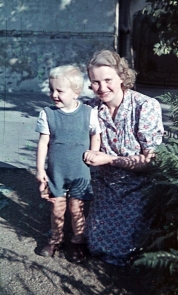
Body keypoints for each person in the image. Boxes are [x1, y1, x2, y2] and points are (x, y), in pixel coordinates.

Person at [83, 50, 164, 266]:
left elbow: (150, 162)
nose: (102, 88)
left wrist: (110, 159)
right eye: (95, 82)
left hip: (139, 186)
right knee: (96, 246)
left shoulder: (145, 106)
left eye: (108, 80)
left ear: (122, 76)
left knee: (126, 250)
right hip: (104, 186)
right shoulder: (91, 109)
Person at [35, 65, 101, 262]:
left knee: (77, 209)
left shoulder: (88, 113)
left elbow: (95, 134)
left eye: (60, 91)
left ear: (76, 93)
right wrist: (40, 170)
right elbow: (43, 143)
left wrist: (94, 152)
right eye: (51, 89)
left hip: (80, 171)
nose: (54, 94)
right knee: (57, 208)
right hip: (57, 172)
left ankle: (78, 242)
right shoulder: (47, 114)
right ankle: (56, 240)